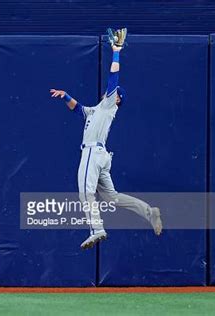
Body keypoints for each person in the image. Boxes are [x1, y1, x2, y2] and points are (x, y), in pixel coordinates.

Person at [50, 43, 162, 250]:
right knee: (112, 197)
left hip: (93, 152)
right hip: (101, 155)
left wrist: (116, 52)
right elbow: (78, 109)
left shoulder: (110, 105)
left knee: (85, 192)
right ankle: (149, 211)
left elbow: (113, 79)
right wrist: (65, 95)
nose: (109, 92)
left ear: (117, 99)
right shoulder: (96, 110)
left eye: (114, 93)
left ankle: (96, 229)